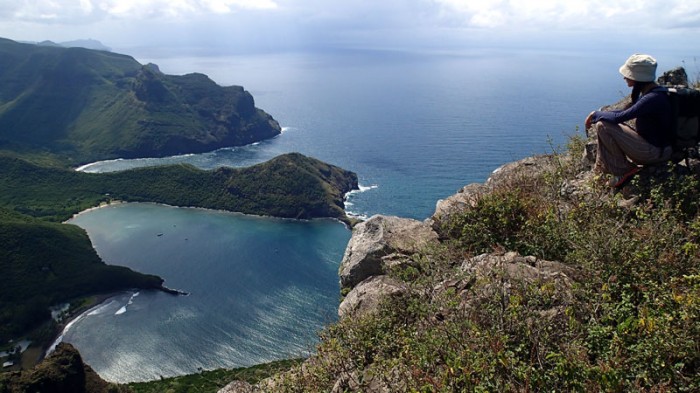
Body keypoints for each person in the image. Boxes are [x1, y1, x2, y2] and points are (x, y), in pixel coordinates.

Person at [585, 53, 673, 188]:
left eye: (628, 74)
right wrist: (600, 114)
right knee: (604, 120)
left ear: (638, 77)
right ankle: (603, 168)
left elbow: (620, 117)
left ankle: (622, 170)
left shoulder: (651, 99)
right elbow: (625, 113)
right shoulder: (656, 92)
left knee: (602, 125)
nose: (625, 77)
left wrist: (595, 114)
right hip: (661, 149)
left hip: (654, 153)